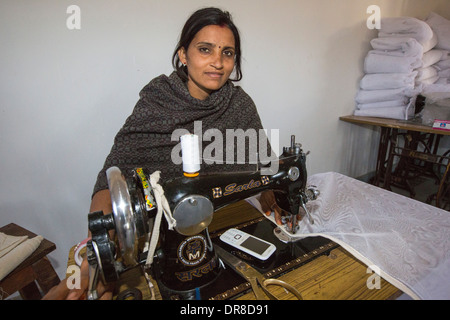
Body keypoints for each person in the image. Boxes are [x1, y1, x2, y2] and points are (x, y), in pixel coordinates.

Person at [43, 7, 286, 300]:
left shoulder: (239, 105)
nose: (218, 63)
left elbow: (265, 168)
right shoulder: (158, 100)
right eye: (205, 49)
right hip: (156, 243)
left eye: (228, 53)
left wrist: (277, 197)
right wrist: (99, 256)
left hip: (215, 233)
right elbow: (110, 180)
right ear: (183, 54)